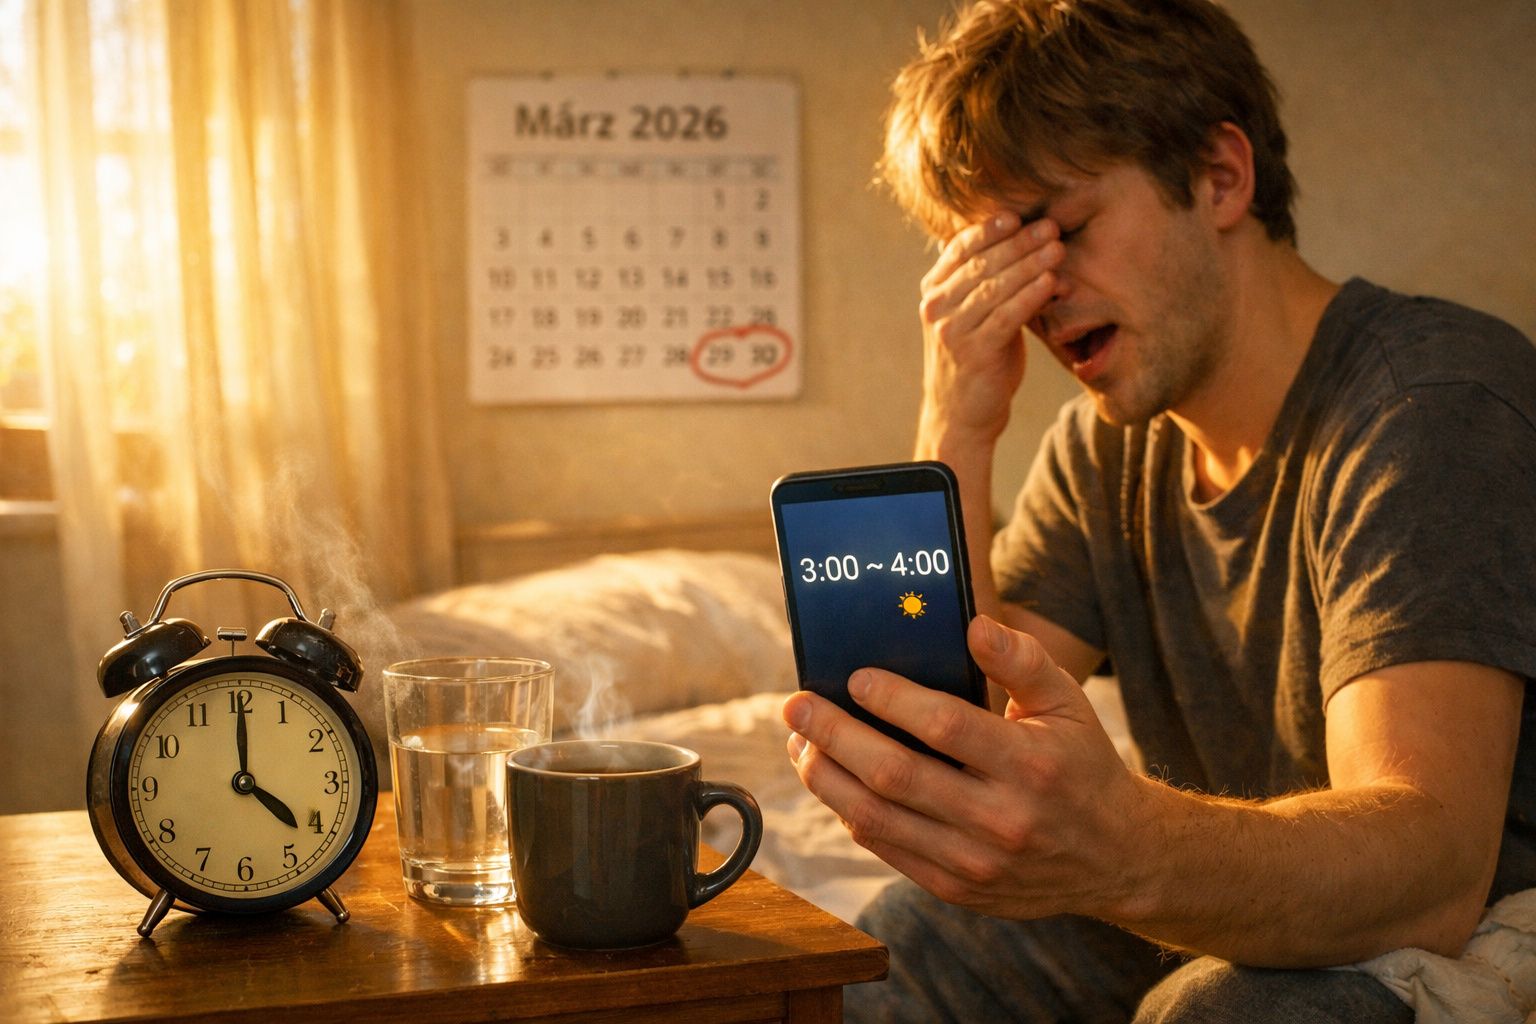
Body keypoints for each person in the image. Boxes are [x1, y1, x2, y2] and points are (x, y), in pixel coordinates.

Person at [779, 1, 1536, 1021]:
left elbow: (1429, 874)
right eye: (996, 257)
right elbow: (965, 746)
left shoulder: (1427, 403)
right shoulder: (1105, 450)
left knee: (1221, 1010)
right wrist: (956, 425)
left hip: (1487, 919)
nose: (1037, 295)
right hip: (1268, 899)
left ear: (1221, 176)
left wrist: (1123, 844)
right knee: (908, 944)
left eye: (1062, 231)